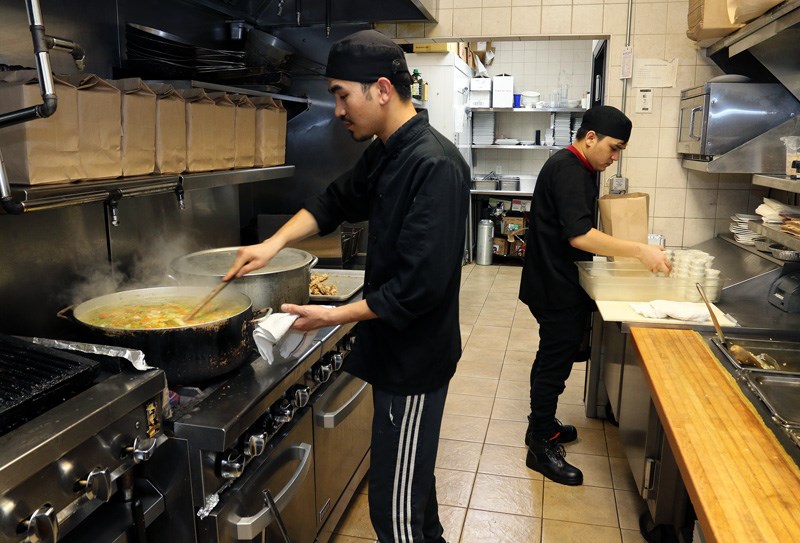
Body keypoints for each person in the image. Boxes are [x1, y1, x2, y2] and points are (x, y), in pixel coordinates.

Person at [223, 30, 470, 543]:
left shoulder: (436, 164)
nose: (337, 109)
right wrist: (272, 245)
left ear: (381, 89)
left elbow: (417, 289)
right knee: (413, 496)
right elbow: (336, 200)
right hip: (393, 352)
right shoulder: (389, 151)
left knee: (395, 513)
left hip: (414, 363)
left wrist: (329, 317)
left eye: (341, 94)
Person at [518, 105, 671, 486]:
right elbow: (579, 235)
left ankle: (543, 423)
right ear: (590, 138)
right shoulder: (570, 169)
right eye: (614, 148)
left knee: (557, 353)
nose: (615, 157)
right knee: (555, 358)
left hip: (556, 280)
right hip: (554, 285)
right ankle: (539, 443)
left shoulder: (578, 167)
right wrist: (639, 250)